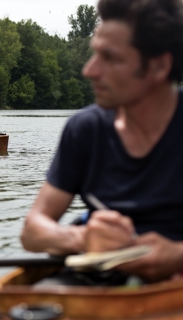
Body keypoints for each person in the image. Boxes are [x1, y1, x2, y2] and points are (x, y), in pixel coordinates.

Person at [20, 0, 183, 286]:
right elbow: (33, 231)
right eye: (95, 55)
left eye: (110, 58)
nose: (90, 71)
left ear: (158, 66)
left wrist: (177, 254)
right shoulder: (84, 129)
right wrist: (81, 237)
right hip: (97, 283)